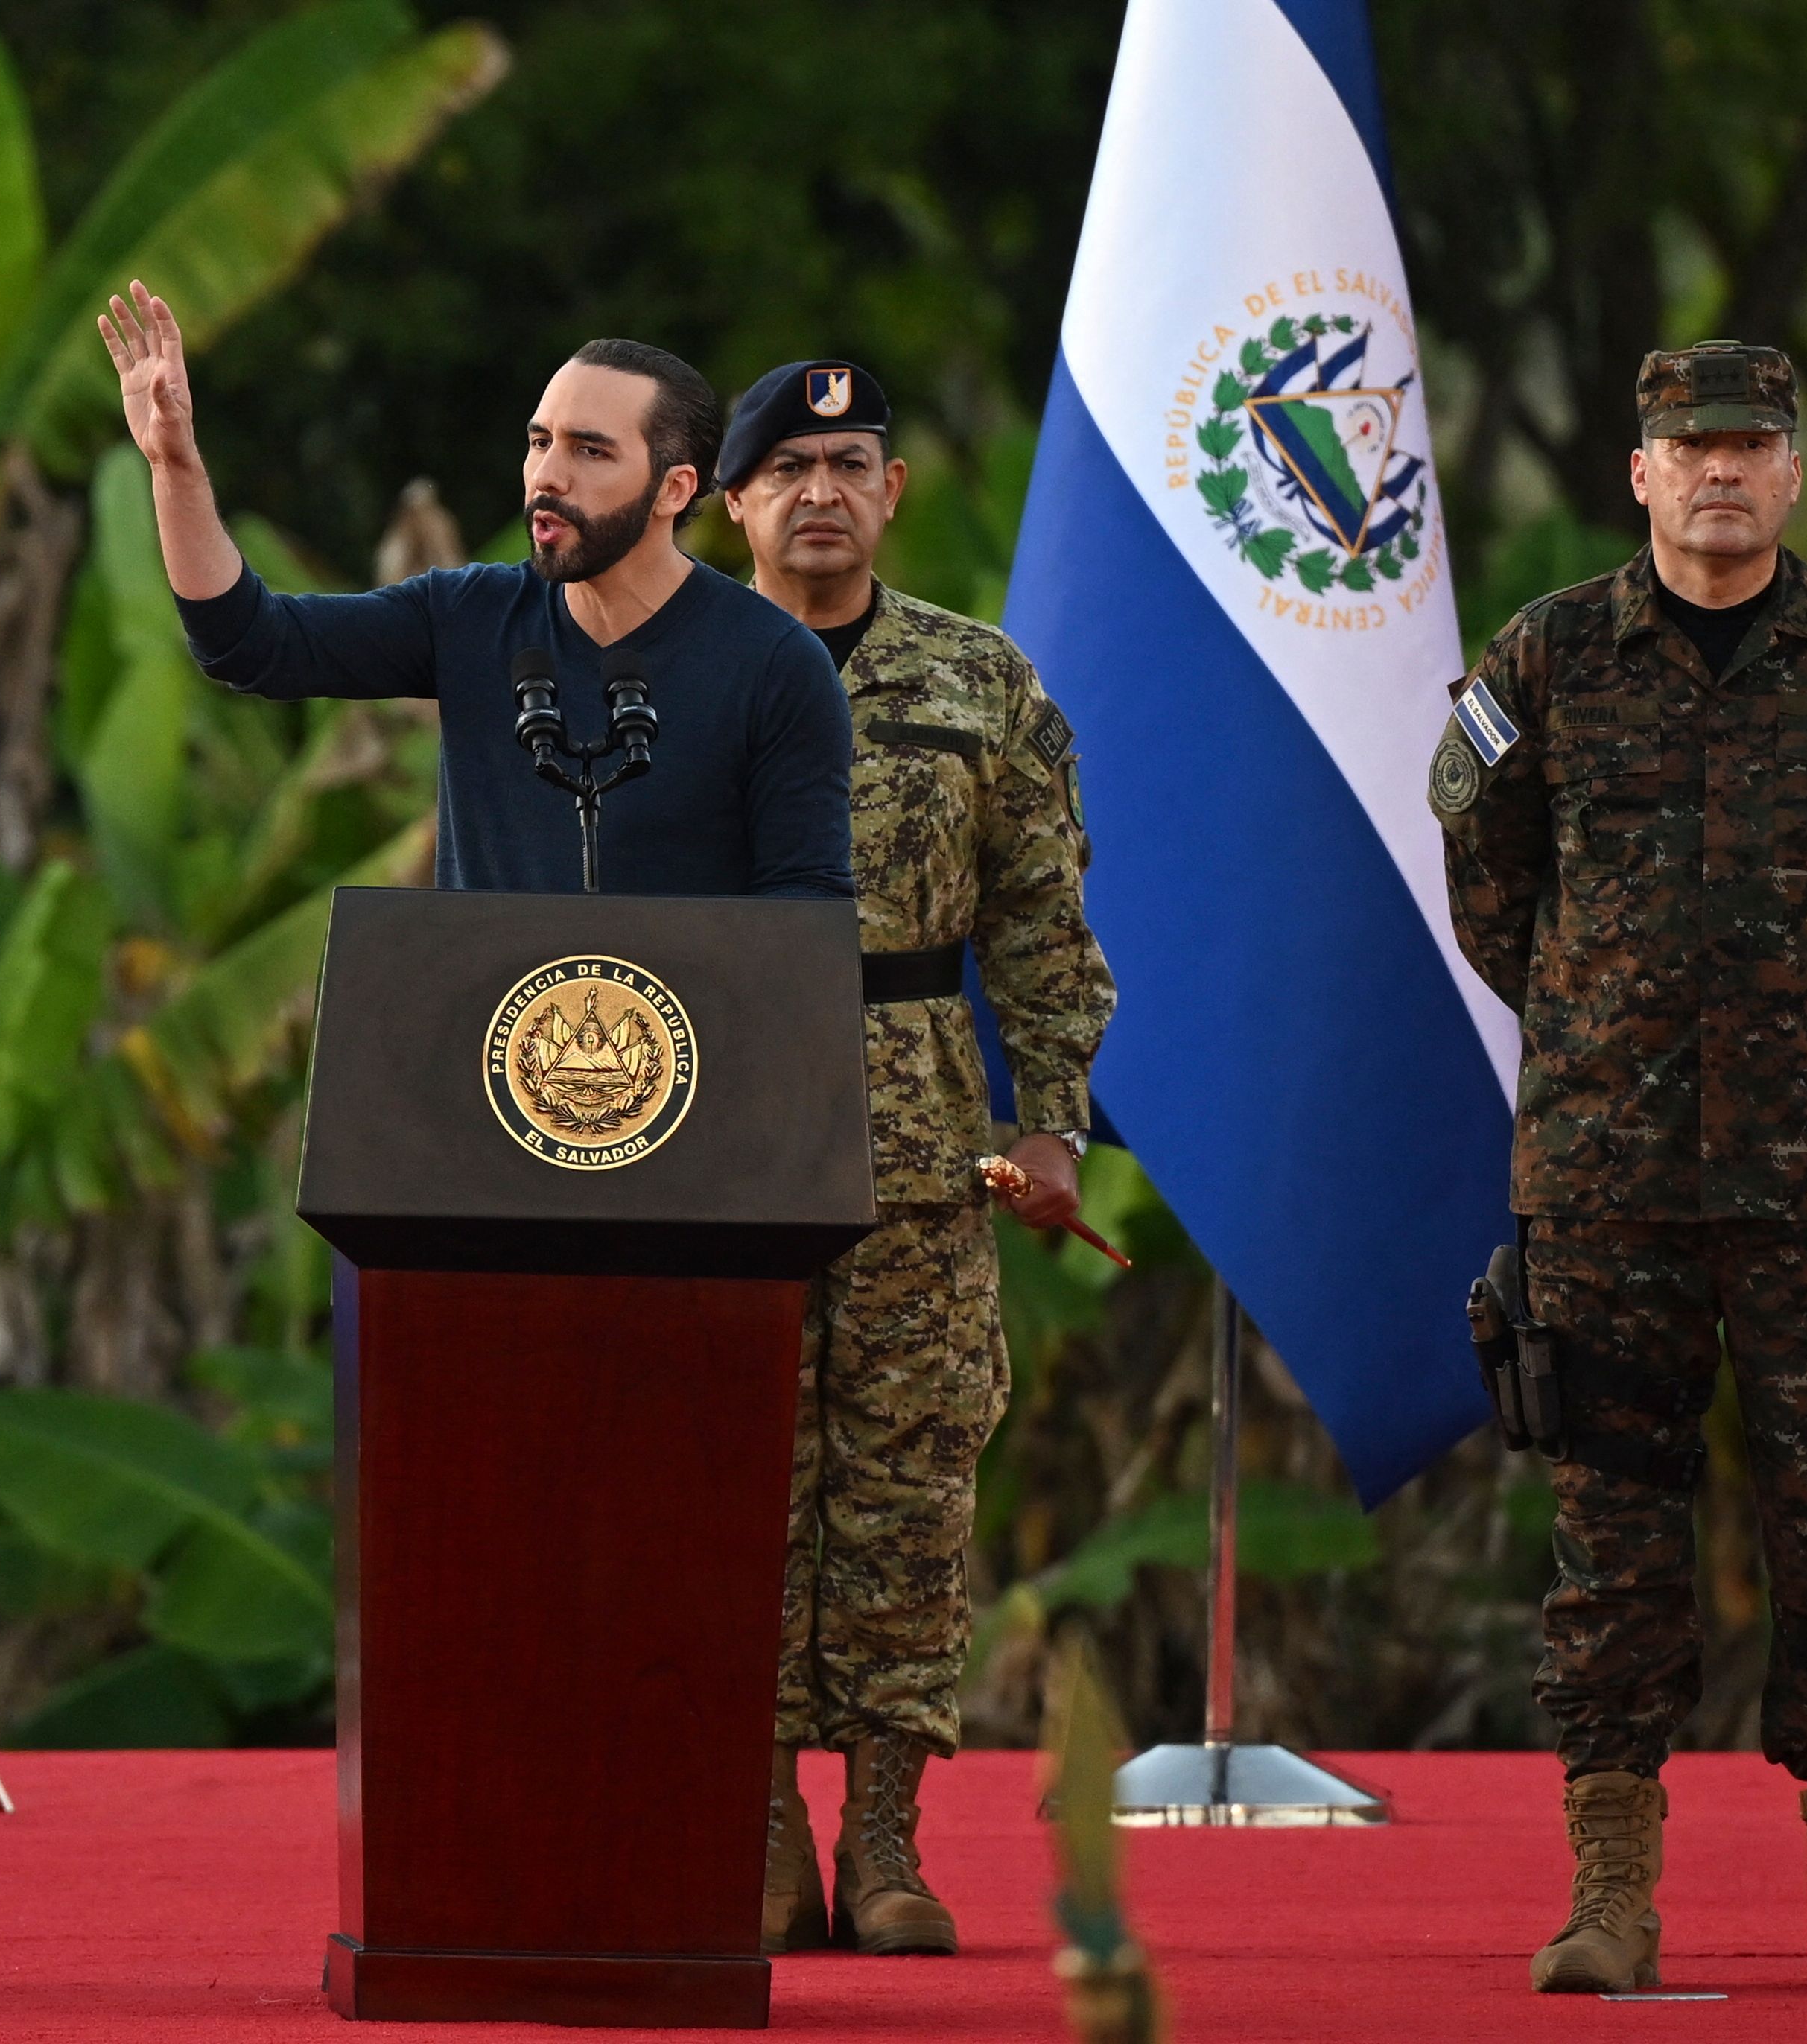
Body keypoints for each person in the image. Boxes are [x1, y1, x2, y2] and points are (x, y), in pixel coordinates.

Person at [1430, 343, 1807, 1997]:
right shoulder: (1543, 659)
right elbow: (1490, 887)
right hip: (1607, 1178)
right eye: (1691, 446)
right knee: (1608, 1538)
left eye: (1750, 442)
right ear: (1639, 474)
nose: (1721, 470)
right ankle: (1608, 1894)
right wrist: (1613, 1019)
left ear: (1791, 471)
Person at [718, 360, 1112, 1955]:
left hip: (918, 1113)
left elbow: (1037, 916)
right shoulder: (671, 666)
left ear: (891, 493)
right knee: (727, 1473)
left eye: (851, 461)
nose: (821, 490)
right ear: (728, 498)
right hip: (710, 1113)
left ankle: (883, 1840)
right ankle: (753, 1832)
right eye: (788, 466)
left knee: (908, 1471)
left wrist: (1049, 1119)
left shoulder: (979, 679)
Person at [98, 282, 854, 898]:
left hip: (688, 1068)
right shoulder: (466, 616)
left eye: (590, 450)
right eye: (538, 442)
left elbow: (804, 913)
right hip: (489, 1068)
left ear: (672, 488)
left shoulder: (773, 661)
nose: (548, 476)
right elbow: (249, 644)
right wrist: (175, 470)